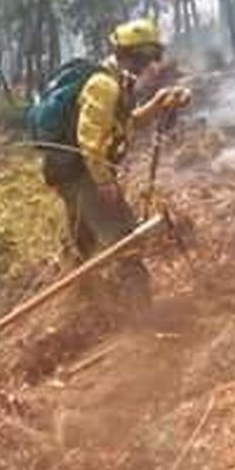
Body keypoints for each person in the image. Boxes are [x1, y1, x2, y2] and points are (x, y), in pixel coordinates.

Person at [42, 19, 191, 306]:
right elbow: (90, 140)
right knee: (126, 244)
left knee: (84, 245)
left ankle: (91, 308)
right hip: (85, 176)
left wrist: (159, 102)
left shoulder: (117, 82)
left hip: (73, 175)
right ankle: (142, 322)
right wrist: (105, 184)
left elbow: (127, 124)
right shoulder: (103, 85)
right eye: (147, 58)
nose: (151, 65)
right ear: (132, 55)